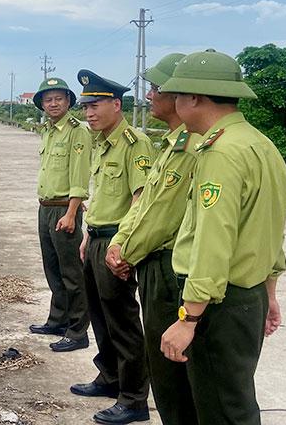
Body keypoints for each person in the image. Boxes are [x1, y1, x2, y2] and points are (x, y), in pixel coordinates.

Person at [158, 49, 286, 425]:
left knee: (221, 411)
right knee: (235, 405)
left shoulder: (221, 152)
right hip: (248, 297)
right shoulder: (260, 145)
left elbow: (214, 241)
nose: (174, 102)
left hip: (220, 305)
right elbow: (270, 229)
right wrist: (270, 292)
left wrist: (188, 318)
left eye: (177, 95)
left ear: (194, 97)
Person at [104, 53, 200, 425]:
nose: (149, 95)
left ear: (180, 95)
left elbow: (163, 217)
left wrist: (125, 253)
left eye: (156, 88)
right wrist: (120, 244)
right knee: (161, 367)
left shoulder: (190, 148)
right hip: (150, 260)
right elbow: (143, 206)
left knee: (171, 372)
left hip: (168, 266)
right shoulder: (171, 145)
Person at [71, 69, 154, 425]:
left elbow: (140, 201)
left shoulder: (135, 144)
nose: (88, 113)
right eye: (85, 107)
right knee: (100, 317)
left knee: (122, 322)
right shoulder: (102, 142)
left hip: (116, 243)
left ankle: (133, 399)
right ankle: (109, 378)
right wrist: (87, 236)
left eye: (95, 106)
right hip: (96, 238)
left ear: (117, 105)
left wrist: (123, 247)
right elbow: (102, 197)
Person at [29, 77, 92, 352]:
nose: (53, 104)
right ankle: (58, 320)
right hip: (45, 207)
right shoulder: (48, 130)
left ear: (68, 101)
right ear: (42, 104)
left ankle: (77, 332)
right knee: (53, 269)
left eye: (58, 98)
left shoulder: (77, 132)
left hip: (64, 209)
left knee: (72, 273)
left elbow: (79, 175)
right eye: (48, 99)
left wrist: (72, 211)